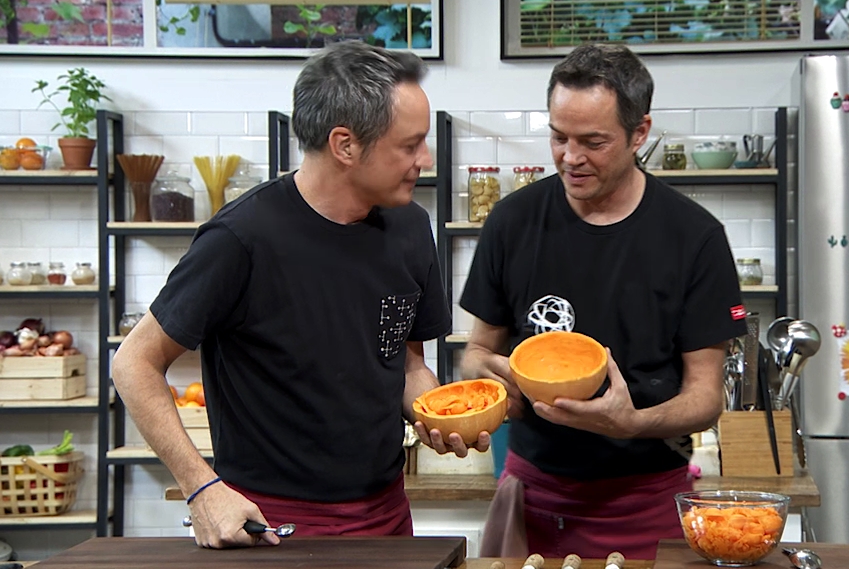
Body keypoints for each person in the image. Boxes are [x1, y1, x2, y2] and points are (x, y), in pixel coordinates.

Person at [111, 41, 487, 549]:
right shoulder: (240, 239)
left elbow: (404, 364)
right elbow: (133, 363)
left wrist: (438, 415)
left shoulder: (411, 227)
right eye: (410, 144)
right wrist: (200, 487)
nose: (426, 157)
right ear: (345, 145)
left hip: (387, 514)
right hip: (271, 524)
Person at [460, 44, 749, 560]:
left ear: (640, 133)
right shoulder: (512, 221)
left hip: (648, 501)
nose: (570, 157)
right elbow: (476, 352)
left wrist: (631, 423)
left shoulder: (694, 237)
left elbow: (707, 398)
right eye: (558, 137)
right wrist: (501, 379)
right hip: (534, 495)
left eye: (593, 141)